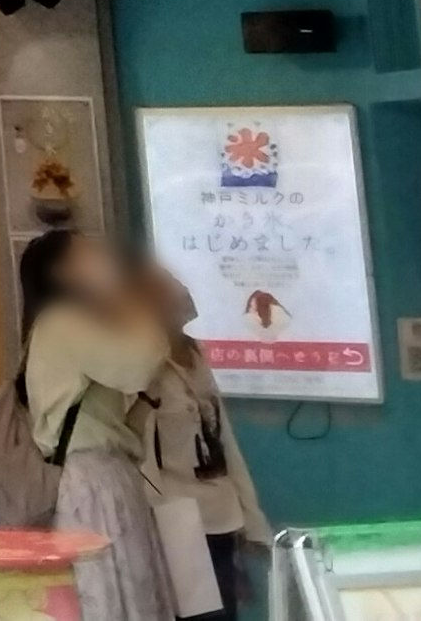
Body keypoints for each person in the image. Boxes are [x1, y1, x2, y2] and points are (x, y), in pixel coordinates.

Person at [16, 229, 181, 621]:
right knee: (108, 599)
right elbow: (139, 364)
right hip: (91, 485)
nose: (106, 259)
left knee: (123, 595)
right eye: (91, 252)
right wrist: (132, 304)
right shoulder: (61, 321)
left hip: (105, 478)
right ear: (65, 273)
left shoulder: (70, 322)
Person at [142, 261, 266, 620]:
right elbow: (143, 457)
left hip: (221, 513)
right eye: (163, 286)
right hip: (177, 520)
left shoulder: (198, 353)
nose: (181, 290)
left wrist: (252, 519)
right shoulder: (144, 365)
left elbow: (224, 439)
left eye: (175, 281)